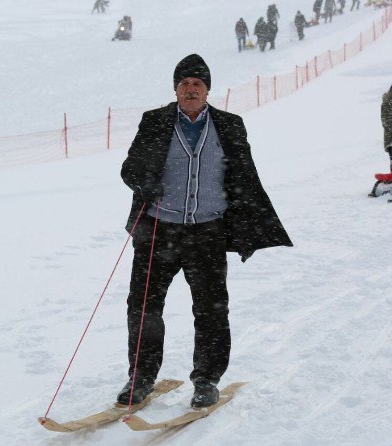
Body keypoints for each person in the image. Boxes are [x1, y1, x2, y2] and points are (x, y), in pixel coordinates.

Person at [117, 54, 292, 408]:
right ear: (176, 90)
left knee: (211, 310)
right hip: (158, 231)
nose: (190, 89)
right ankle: (141, 377)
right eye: (184, 84)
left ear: (208, 89)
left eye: (197, 83)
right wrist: (144, 182)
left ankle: (207, 379)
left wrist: (246, 221)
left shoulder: (230, 125)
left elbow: (244, 175)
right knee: (143, 307)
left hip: (207, 232)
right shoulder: (155, 121)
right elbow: (130, 168)